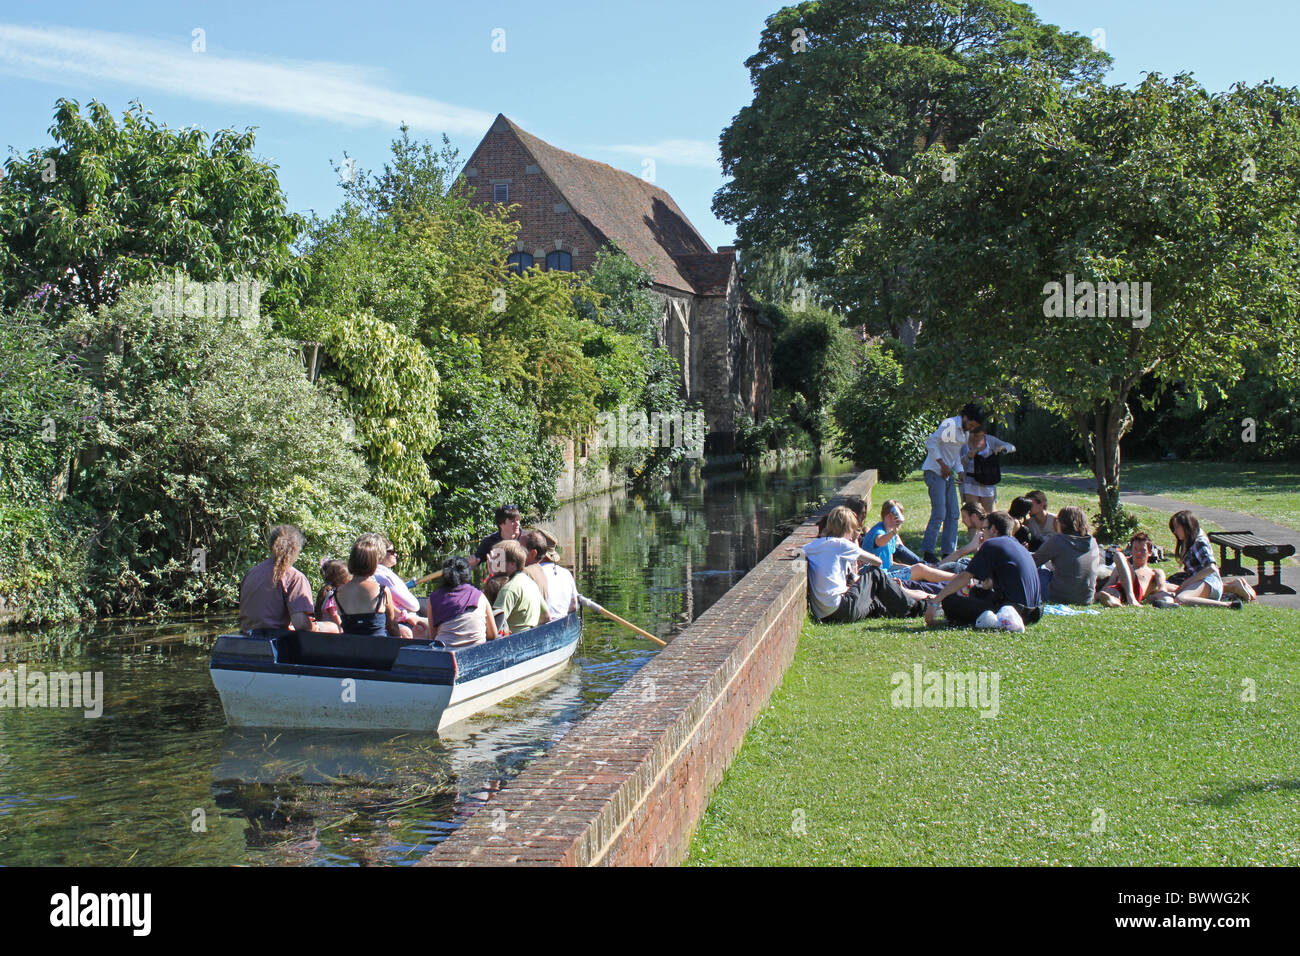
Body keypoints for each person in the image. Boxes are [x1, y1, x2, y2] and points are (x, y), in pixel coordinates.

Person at [798, 506, 929, 623]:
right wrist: (856, 546)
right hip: (840, 608)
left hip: (824, 614)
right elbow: (878, 562)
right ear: (848, 528)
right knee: (874, 573)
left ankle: (920, 606)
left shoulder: (813, 545)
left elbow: (796, 551)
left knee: (874, 603)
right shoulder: (841, 544)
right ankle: (915, 609)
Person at [927, 511, 1043, 627]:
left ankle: (992, 621)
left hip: (1011, 611)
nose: (982, 534)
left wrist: (935, 601)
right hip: (1035, 612)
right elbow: (986, 585)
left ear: (993, 529)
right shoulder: (1018, 546)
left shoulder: (993, 544)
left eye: (984, 529)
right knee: (977, 592)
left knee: (949, 600)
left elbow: (965, 577)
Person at [921, 403, 985, 563]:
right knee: (940, 512)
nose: (970, 428)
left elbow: (955, 455)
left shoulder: (964, 432)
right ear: (964, 417)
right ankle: (928, 552)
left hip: (948, 473)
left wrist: (961, 471)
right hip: (935, 472)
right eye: (970, 424)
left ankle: (948, 553)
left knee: (954, 513)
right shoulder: (950, 424)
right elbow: (931, 442)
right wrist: (942, 464)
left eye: (974, 427)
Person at [1159, 510, 1255, 608]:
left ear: (1187, 526)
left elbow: (1211, 568)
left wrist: (1185, 584)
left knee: (1181, 598)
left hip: (1209, 581)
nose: (1175, 531)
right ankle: (1232, 587)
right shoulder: (1190, 539)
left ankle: (1228, 604)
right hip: (1197, 580)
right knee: (1162, 585)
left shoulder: (1199, 542)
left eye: (1177, 528)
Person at [238, 525, 317, 635]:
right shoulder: (295, 577)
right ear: (296, 548)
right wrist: (318, 628)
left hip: (246, 639)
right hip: (274, 642)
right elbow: (301, 625)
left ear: (270, 546)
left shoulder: (252, 573)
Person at [862, 500, 956, 591]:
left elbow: (890, 563)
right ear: (885, 515)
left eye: (896, 515)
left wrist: (908, 567)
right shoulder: (879, 531)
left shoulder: (889, 531)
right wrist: (894, 531)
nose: (894, 518)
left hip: (885, 573)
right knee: (921, 569)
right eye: (890, 515)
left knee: (920, 568)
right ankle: (959, 580)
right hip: (876, 577)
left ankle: (957, 580)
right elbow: (880, 541)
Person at [334, 533, 403, 637]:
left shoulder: (338, 592)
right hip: (377, 650)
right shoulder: (382, 590)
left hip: (349, 650)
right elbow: (392, 626)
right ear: (374, 563)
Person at [1034, 506, 1102, 605]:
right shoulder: (1092, 542)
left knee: (1042, 572)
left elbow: (1033, 562)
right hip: (1086, 599)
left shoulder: (1058, 540)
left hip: (1058, 598)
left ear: (1061, 523)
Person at [427, 556, 499, 646]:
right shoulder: (480, 596)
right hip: (476, 651)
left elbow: (433, 637)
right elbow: (493, 634)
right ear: (467, 574)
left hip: (445, 653)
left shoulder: (433, 598)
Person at [373, 535, 429, 638]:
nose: (396, 554)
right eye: (392, 552)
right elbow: (414, 605)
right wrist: (407, 616)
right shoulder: (385, 576)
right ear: (381, 554)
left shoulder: (367, 575)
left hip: (395, 618)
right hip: (401, 620)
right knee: (435, 625)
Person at [1096, 532, 1166, 607]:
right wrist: (1096, 595)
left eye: (1143, 550)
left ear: (1150, 553)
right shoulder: (1121, 567)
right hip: (1120, 589)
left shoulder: (1155, 572)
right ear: (1131, 550)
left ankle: (1131, 598)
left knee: (1118, 555)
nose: (1138, 553)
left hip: (1136, 592)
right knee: (1111, 590)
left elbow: (1162, 589)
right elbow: (1110, 583)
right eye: (1135, 549)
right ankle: (1115, 601)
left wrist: (1153, 598)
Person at [522, 529, 578, 620]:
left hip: (540, 626)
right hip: (561, 622)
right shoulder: (566, 573)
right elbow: (574, 606)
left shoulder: (529, 573)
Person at [492, 539, 548, 631]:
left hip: (513, 641)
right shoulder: (531, 583)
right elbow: (546, 616)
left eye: (499, 561)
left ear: (513, 563)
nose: (495, 565)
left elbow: (495, 628)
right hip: (531, 637)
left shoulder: (508, 590)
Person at [960, 423, 1015, 513]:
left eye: (978, 435)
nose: (975, 437)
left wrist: (1003, 448)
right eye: (972, 433)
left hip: (988, 482)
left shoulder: (990, 440)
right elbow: (958, 463)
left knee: (991, 514)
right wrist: (968, 457)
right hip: (970, 482)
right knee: (973, 514)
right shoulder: (964, 443)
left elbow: (1012, 447)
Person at [469, 505, 523, 570]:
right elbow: (475, 561)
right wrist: (469, 563)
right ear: (501, 524)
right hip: (499, 578)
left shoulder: (526, 539)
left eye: (518, 520)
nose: (518, 524)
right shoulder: (489, 542)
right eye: (513, 521)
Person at [937, 503, 987, 573]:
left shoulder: (985, 532)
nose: (963, 521)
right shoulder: (985, 529)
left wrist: (937, 566)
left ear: (974, 516)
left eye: (964, 517)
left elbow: (961, 552)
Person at [313, 559, 350, 633]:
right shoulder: (333, 596)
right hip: (332, 634)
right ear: (341, 580)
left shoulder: (328, 592)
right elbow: (335, 616)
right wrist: (343, 631)